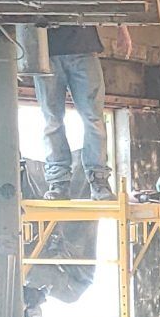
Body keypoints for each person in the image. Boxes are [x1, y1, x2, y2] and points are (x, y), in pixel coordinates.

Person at [23, 22, 129, 198]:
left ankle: (98, 181)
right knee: (53, 119)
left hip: (80, 48)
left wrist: (122, 27)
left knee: (92, 118)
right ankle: (59, 182)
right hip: (47, 51)